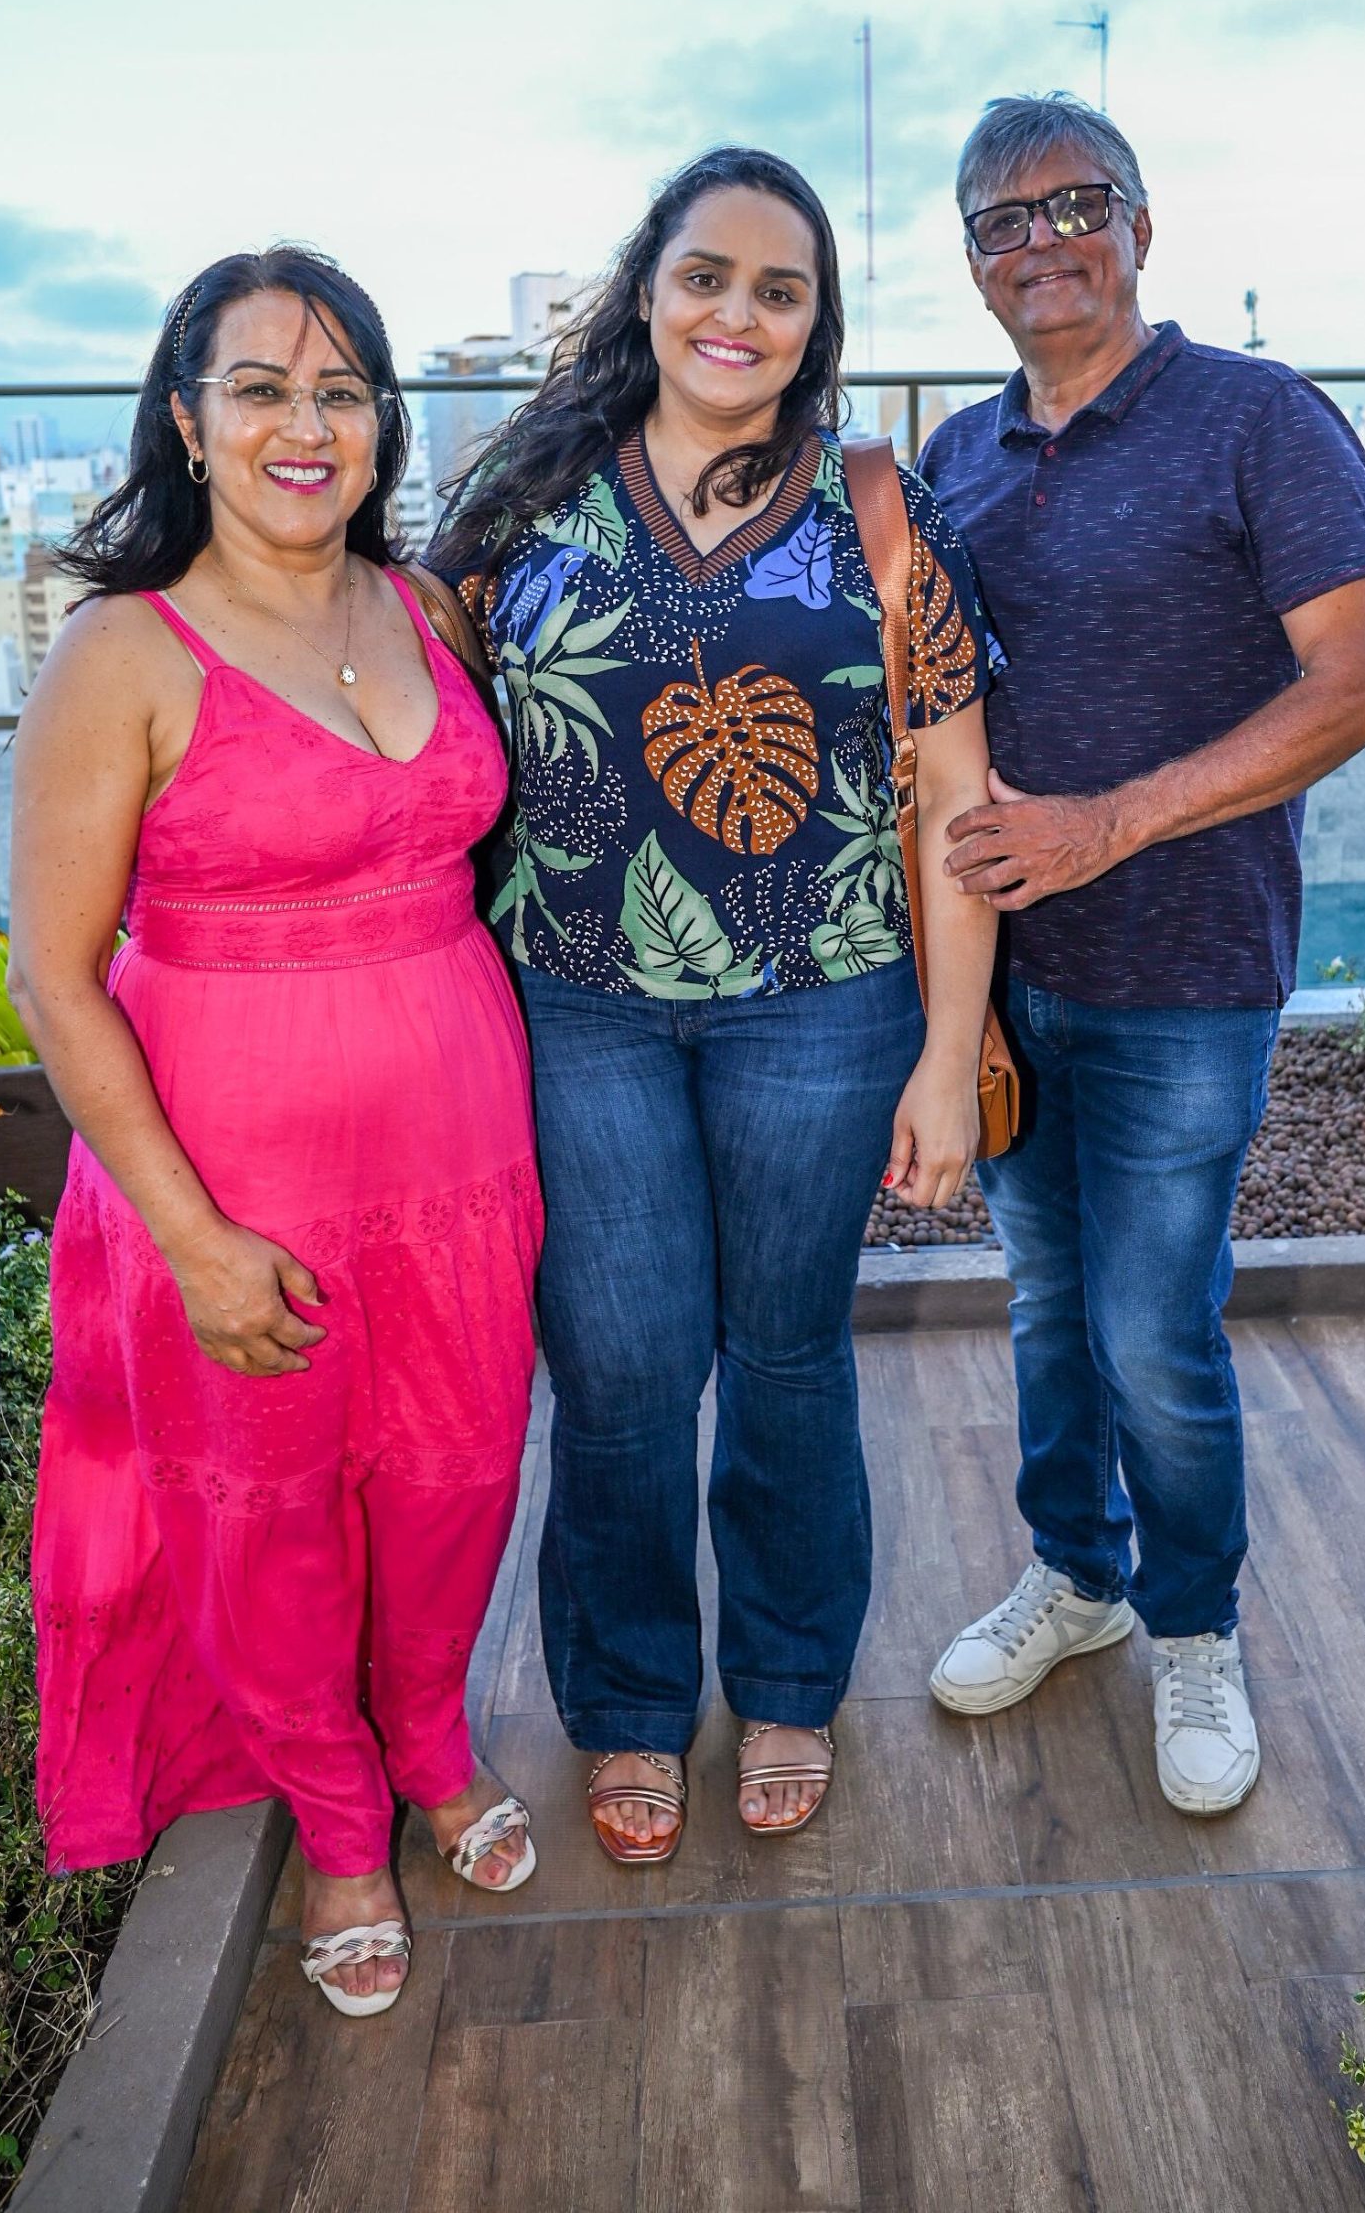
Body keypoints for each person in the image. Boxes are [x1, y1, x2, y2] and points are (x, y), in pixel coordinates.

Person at [425, 147, 1000, 1861]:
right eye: (705, 275)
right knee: (616, 1371)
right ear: (648, 289)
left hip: (822, 1006)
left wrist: (948, 1060)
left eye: (778, 288)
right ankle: (625, 1703)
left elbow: (954, 805)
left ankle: (791, 1680)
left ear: (816, 322)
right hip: (572, 1007)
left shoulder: (875, 511)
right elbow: (412, 728)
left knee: (786, 1355)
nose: (735, 313)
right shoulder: (522, 496)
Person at [15, 247, 541, 2017]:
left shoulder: (428, 609)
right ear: (187, 420)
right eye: (259, 389)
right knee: (274, 1513)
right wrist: (190, 1238)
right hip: (238, 1179)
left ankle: (430, 1741)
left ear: (382, 424)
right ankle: (334, 1820)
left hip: (462, 1156)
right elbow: (54, 980)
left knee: (460, 1472)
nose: (302, 426)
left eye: (338, 391)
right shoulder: (120, 650)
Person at [919, 95, 1365, 1813]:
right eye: (1001, 221)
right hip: (1008, 975)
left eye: (1075, 204)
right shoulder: (955, 459)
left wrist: (1105, 826)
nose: (1040, 241)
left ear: (1141, 223)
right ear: (970, 263)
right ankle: (1078, 1578)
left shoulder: (1257, 419)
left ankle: (1193, 1626)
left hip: (1189, 970)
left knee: (1151, 1332)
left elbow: (1364, 684)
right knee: (1048, 1310)